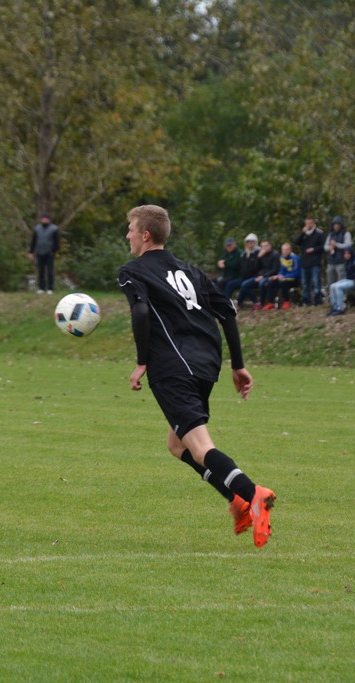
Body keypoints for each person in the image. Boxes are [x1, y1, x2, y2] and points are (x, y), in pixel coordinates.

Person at [116, 205, 276, 547]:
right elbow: (227, 311)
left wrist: (142, 361)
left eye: (130, 229)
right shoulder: (191, 271)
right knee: (177, 444)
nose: (127, 235)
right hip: (206, 363)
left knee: (201, 446)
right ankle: (238, 501)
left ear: (145, 235)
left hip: (172, 367)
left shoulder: (133, 271)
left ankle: (253, 493)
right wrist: (237, 364)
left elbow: (141, 311)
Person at [237, 239, 279, 310]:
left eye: (266, 246)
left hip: (269, 276)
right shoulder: (260, 254)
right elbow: (255, 268)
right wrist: (258, 257)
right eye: (263, 246)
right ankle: (254, 302)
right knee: (245, 284)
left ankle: (262, 303)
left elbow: (275, 269)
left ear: (270, 246)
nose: (265, 248)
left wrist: (263, 276)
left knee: (261, 283)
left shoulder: (275, 254)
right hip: (259, 276)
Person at [326, 247, 355, 316]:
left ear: (351, 253)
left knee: (338, 287)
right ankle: (335, 307)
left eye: (348, 253)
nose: (346, 255)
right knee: (332, 286)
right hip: (349, 280)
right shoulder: (347, 262)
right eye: (345, 253)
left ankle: (340, 308)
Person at [294, 217, 325, 305]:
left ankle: (317, 301)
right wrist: (302, 233)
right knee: (305, 284)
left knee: (316, 282)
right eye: (307, 223)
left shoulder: (319, 233)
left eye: (310, 223)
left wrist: (313, 249)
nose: (308, 225)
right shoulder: (304, 234)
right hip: (304, 262)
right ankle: (306, 301)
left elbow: (323, 246)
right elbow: (296, 242)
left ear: (314, 223)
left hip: (315, 262)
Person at [28, 213, 60, 294]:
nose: (44, 220)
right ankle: (41, 288)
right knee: (40, 271)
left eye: (46, 219)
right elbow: (34, 241)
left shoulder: (54, 229)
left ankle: (50, 288)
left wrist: (53, 251)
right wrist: (31, 252)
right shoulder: (37, 229)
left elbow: (57, 242)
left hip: (49, 253)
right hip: (39, 252)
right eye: (43, 218)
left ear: (49, 219)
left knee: (50, 271)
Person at [263, 242, 300, 309]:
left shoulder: (295, 258)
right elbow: (281, 271)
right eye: (283, 250)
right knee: (270, 283)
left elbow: (296, 273)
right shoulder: (281, 258)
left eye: (286, 250)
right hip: (283, 278)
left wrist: (285, 277)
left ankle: (286, 301)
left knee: (283, 282)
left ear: (290, 250)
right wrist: (277, 276)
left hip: (294, 280)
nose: (284, 251)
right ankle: (271, 303)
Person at [223, 233, 259, 302]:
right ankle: (226, 302)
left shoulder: (258, 253)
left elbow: (256, 266)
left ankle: (252, 302)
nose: (250, 244)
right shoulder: (244, 254)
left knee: (245, 285)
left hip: (254, 277)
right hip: (244, 277)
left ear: (256, 243)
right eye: (248, 242)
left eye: (252, 242)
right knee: (230, 284)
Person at [324, 216, 353, 286]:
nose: (336, 226)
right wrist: (330, 247)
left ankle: (343, 293)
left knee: (341, 282)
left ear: (341, 225)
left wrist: (336, 244)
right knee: (330, 282)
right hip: (331, 261)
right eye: (335, 224)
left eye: (338, 224)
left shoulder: (346, 234)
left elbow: (348, 245)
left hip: (341, 261)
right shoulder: (330, 234)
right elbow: (325, 246)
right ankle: (331, 293)